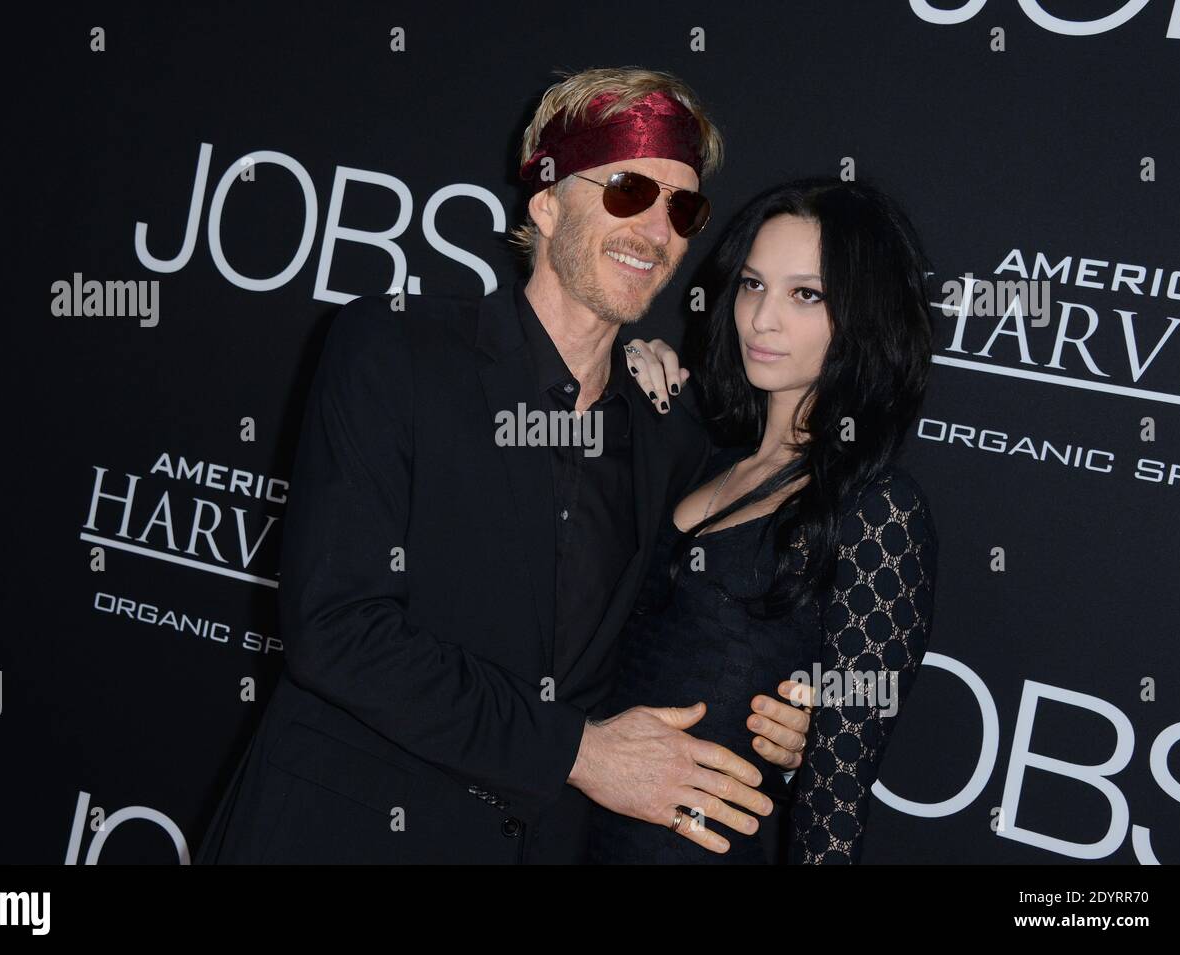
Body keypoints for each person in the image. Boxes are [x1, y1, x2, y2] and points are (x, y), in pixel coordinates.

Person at [196, 67, 810, 865]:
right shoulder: (395, 351)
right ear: (547, 202)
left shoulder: (672, 439)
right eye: (627, 189)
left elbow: (678, 644)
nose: (656, 232)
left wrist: (777, 719)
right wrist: (580, 753)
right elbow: (337, 628)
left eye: (682, 207)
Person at [589, 177, 939, 863]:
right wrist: (611, 385)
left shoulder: (877, 509)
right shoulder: (691, 454)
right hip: (564, 829)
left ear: (864, 315)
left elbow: (833, 810)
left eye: (805, 294)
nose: (762, 319)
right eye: (752, 285)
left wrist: (808, 739)